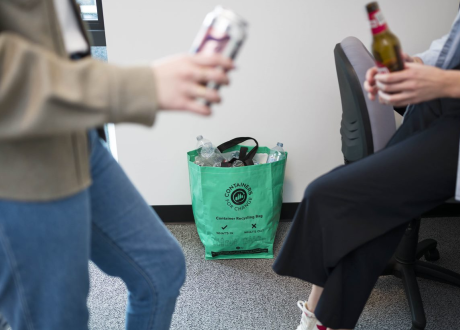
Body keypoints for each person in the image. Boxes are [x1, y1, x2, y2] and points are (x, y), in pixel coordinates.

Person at [0, 1, 233, 329]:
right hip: (21, 164)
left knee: (160, 270)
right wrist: (142, 85)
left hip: (75, 136)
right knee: (59, 321)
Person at [273, 8, 460, 330]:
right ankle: (319, 318)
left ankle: (319, 318)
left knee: (327, 194)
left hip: (452, 118)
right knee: (355, 206)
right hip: (437, 105)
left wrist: (444, 81)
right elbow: (453, 46)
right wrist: (416, 65)